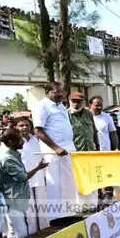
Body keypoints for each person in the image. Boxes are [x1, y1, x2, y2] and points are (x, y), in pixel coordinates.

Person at [34, 81, 79, 221]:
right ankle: (57, 218)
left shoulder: (61, 106)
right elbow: (38, 131)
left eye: (62, 92)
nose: (61, 94)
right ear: (47, 92)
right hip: (54, 153)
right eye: (57, 92)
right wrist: (56, 147)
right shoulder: (42, 106)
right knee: (56, 185)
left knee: (69, 183)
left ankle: (70, 213)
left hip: (68, 150)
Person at [0, 128, 49, 238]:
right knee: (20, 233)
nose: (22, 141)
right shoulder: (8, 159)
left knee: (17, 232)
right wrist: (38, 168)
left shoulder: (13, 155)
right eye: (19, 139)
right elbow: (23, 177)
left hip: (17, 198)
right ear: (10, 142)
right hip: (13, 200)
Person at [15, 117, 48, 231]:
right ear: (16, 127)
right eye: (21, 125)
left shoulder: (36, 139)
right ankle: (33, 235)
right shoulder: (15, 142)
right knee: (30, 212)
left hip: (39, 178)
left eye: (27, 125)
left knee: (42, 208)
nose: (24, 127)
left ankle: (45, 231)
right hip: (25, 180)